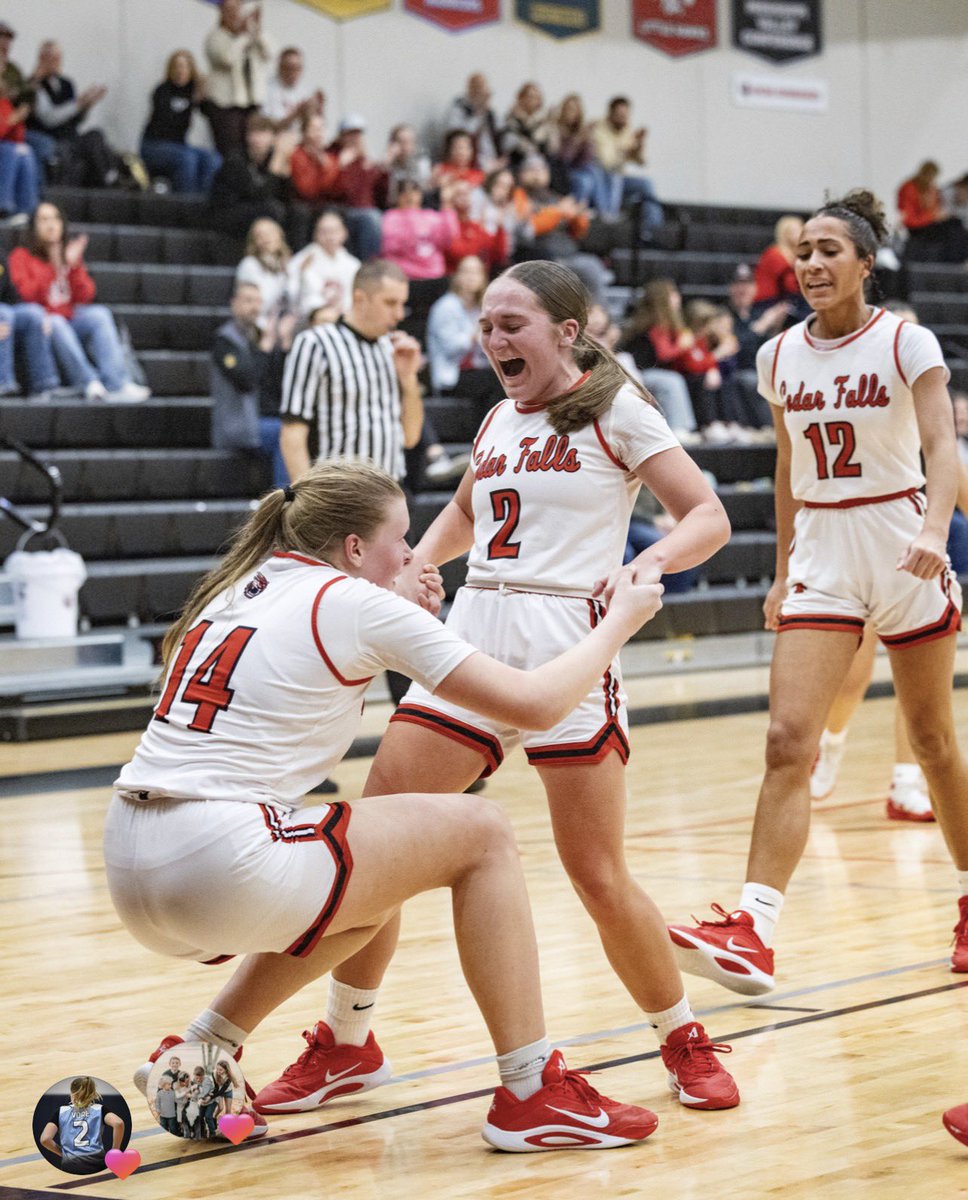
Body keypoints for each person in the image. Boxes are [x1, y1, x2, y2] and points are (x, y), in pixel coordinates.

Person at [278, 260, 740, 1120]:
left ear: (567, 332)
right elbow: (465, 511)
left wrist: (646, 563)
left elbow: (709, 517)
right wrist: (418, 565)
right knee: (375, 840)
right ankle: (348, 1041)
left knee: (596, 873)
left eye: (513, 324)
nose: (493, 340)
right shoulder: (497, 417)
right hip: (475, 637)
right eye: (486, 324)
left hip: (570, 639)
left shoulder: (619, 409)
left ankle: (682, 1035)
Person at [105, 456, 668, 1151]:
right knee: (483, 831)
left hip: (133, 862)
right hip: (217, 860)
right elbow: (540, 703)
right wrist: (618, 621)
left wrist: (398, 611)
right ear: (354, 550)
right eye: (401, 539)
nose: (413, 552)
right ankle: (531, 1091)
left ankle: (204, 1049)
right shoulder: (354, 603)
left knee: (367, 897)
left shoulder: (238, 589)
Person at [668, 189, 968, 996]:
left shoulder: (907, 341)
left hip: (902, 539)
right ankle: (754, 927)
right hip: (825, 552)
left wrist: (936, 532)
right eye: (803, 250)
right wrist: (778, 573)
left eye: (830, 249)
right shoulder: (777, 356)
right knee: (786, 740)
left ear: (866, 264)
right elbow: (787, 468)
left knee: (934, 744)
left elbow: (944, 448)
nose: (811, 263)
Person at [279, 260, 423, 485]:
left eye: (402, 304)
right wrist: (307, 503)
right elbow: (292, 434)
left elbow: (411, 437)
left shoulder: (393, 349)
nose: (399, 314)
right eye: (390, 303)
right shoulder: (315, 343)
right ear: (359, 298)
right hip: (339, 493)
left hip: (391, 492)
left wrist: (409, 378)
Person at [9, 202, 150, 402]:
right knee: (56, 322)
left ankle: (117, 383)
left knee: (99, 314)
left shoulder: (69, 255)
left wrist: (72, 267)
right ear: (33, 227)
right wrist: (55, 268)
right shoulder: (21, 257)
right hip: (46, 321)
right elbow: (25, 296)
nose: (51, 225)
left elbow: (86, 296)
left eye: (56, 218)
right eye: (44, 219)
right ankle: (88, 382)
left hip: (69, 316)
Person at [809, 622, 933, 820]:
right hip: (865, 593)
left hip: (916, 592)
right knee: (852, 681)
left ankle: (905, 784)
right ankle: (831, 742)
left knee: (917, 681)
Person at [211, 281, 292, 490]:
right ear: (234, 304)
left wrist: (283, 345)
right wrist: (265, 348)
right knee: (285, 432)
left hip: (263, 418)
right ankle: (284, 500)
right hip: (237, 424)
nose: (255, 307)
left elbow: (278, 382)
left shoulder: (256, 338)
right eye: (248, 301)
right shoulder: (224, 340)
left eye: (258, 301)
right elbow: (246, 380)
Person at [25, 40, 119, 187]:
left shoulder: (66, 84)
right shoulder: (33, 85)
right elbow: (49, 118)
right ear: (41, 59)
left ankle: (110, 179)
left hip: (70, 136)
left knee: (95, 136)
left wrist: (86, 106)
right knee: (64, 150)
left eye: (57, 58)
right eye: (50, 58)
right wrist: (78, 104)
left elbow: (75, 118)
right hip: (50, 136)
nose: (55, 62)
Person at [426, 255, 501, 415]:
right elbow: (450, 348)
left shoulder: (483, 307)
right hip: (452, 375)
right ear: (456, 276)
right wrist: (474, 334)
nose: (471, 277)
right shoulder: (446, 306)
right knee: (496, 381)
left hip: (478, 369)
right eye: (466, 272)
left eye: (476, 272)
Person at [140, 50, 221, 195]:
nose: (181, 71)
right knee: (187, 159)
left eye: (185, 67)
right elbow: (168, 123)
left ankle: (203, 202)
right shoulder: (162, 91)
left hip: (180, 146)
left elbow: (209, 113)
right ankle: (186, 204)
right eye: (177, 66)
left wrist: (203, 98)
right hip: (155, 145)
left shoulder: (192, 92)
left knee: (212, 158)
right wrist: (192, 102)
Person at [204, 0, 274, 157]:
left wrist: (257, 32)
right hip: (225, 105)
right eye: (229, 11)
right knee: (231, 151)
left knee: (251, 150)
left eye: (237, 10)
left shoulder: (250, 36)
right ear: (222, 13)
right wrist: (243, 37)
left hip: (250, 102)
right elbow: (227, 58)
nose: (235, 15)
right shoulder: (215, 37)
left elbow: (269, 53)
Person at [209, 112, 293, 241]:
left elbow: (286, 198)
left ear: (273, 138)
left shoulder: (271, 158)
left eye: (263, 133)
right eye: (254, 133)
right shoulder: (236, 159)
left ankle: (293, 257)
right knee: (272, 209)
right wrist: (275, 167)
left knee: (298, 213)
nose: (257, 138)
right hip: (228, 212)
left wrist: (286, 177)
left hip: (256, 208)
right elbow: (257, 196)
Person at [589, 96, 662, 234]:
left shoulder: (627, 131)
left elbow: (640, 162)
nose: (624, 118)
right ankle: (609, 219)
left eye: (626, 115)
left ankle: (653, 229)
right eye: (620, 115)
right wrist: (625, 150)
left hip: (620, 181)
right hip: (601, 180)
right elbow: (607, 163)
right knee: (614, 175)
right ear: (611, 114)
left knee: (646, 184)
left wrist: (639, 146)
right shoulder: (599, 130)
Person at [287, 209, 360, 322]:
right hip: (311, 318)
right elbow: (294, 296)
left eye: (334, 231)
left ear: (344, 233)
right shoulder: (303, 260)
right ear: (315, 234)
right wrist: (302, 274)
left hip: (344, 316)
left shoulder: (353, 264)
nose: (330, 237)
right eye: (324, 232)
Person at [380, 179, 458, 282]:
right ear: (398, 197)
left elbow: (449, 239)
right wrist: (411, 219)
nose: (410, 196)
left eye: (414, 192)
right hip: (404, 276)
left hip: (433, 275)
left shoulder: (431, 216)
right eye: (405, 193)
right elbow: (389, 247)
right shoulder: (390, 217)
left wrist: (447, 203)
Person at [40, 1077, 123, 1172]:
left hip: (70, 1163)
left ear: (72, 1093)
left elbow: (45, 1139)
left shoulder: (61, 1111)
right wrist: (115, 1151)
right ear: (93, 1093)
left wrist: (64, 1153)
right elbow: (118, 1123)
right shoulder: (99, 1109)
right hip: (96, 1161)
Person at [897, 160, 968, 265]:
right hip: (919, 227)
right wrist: (933, 217)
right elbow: (910, 220)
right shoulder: (910, 188)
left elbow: (934, 210)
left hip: (929, 223)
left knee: (956, 226)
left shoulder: (931, 189)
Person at [235, 217, 291, 327]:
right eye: (260, 235)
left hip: (286, 321)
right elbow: (253, 303)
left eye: (270, 233)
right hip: (257, 322)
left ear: (280, 235)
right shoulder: (249, 265)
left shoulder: (290, 264)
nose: (266, 238)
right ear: (254, 241)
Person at [753, 216, 811, 322]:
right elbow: (790, 284)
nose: (801, 235)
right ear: (786, 234)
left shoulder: (795, 255)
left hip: (785, 299)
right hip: (768, 302)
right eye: (797, 231)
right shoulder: (775, 253)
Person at [444, 73, 503, 173]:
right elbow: (457, 134)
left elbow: (500, 132)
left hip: (492, 159)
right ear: (469, 88)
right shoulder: (459, 108)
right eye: (476, 87)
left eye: (482, 87)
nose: (480, 91)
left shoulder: (490, 113)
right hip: (470, 160)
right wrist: (478, 112)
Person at [0, 73, 40, 219]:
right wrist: (13, 120)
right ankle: (3, 206)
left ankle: (26, 211)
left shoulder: (4, 103)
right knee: (11, 151)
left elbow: (18, 136)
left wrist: (16, 120)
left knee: (25, 150)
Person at [261, 46, 323, 134]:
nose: (293, 72)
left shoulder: (305, 90)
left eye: (297, 68)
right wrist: (297, 113)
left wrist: (318, 109)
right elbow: (273, 127)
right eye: (289, 67)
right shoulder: (268, 89)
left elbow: (313, 127)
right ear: (280, 67)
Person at [500, 82, 546, 171]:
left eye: (536, 97)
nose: (532, 100)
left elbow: (543, 146)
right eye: (529, 96)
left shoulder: (543, 122)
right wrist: (521, 120)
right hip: (516, 163)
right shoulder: (511, 120)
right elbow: (510, 145)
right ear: (521, 98)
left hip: (539, 164)